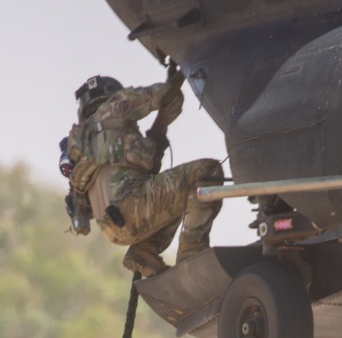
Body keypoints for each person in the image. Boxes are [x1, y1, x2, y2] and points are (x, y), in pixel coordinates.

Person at [62, 71, 224, 277]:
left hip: (112, 229)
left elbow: (86, 209)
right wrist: (159, 129)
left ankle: (144, 252)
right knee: (207, 171)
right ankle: (192, 252)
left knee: (179, 193)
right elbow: (169, 96)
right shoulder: (116, 105)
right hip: (135, 208)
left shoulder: (78, 151)